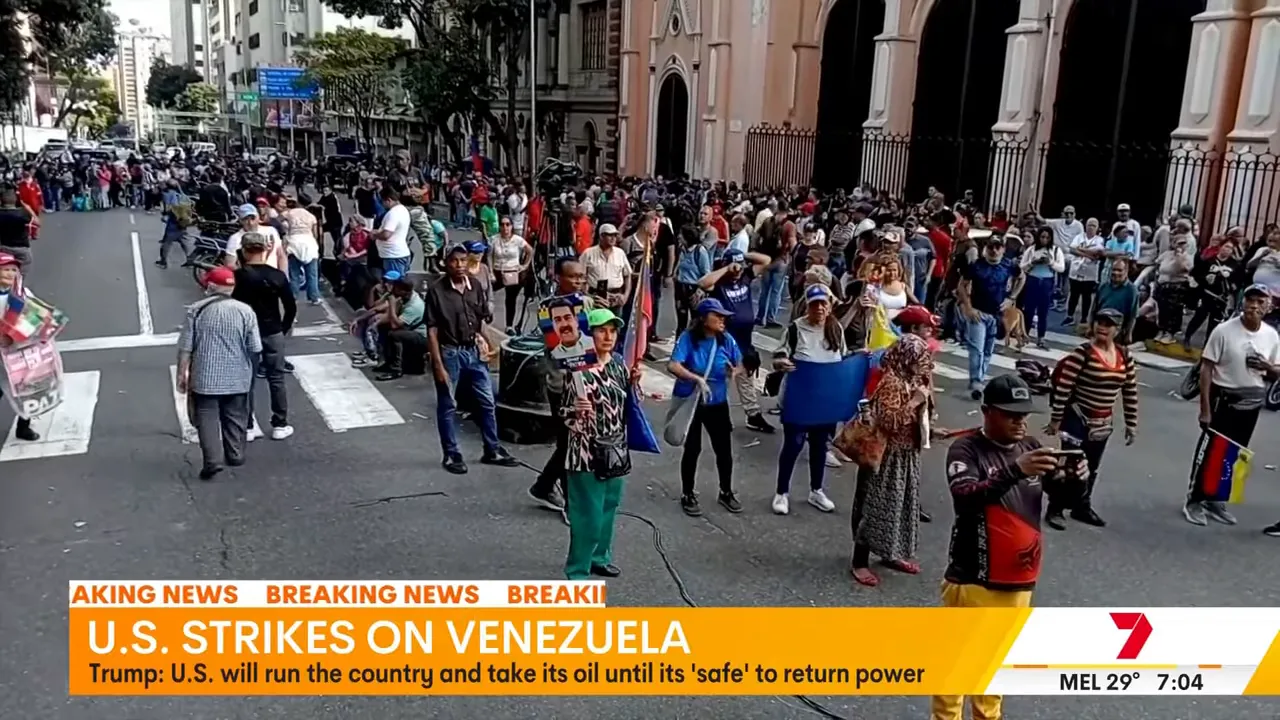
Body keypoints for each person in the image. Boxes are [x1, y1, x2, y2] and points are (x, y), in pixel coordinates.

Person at [931, 375, 1086, 720]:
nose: (1020, 421)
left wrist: (1075, 481)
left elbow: (1060, 499)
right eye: (1010, 414)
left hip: (1019, 582)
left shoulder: (1030, 447)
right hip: (975, 579)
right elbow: (965, 498)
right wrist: (1014, 471)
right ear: (987, 411)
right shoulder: (966, 449)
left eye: (1024, 414)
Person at [1184, 284, 1280, 526]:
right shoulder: (1224, 331)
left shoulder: (1271, 335)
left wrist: (1267, 367)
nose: (1254, 306)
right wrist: (1205, 409)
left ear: (1269, 307)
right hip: (1223, 401)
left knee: (1234, 454)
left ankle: (1216, 499)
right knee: (1210, 452)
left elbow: (1276, 370)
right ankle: (1194, 500)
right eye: (1250, 301)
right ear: (1242, 302)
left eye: (1260, 302)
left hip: (1251, 405)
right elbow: (1206, 369)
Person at [562, 308, 642, 579]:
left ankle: (599, 557)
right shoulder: (576, 368)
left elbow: (627, 407)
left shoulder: (619, 364)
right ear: (589, 334)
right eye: (601, 330)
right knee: (588, 517)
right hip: (585, 453)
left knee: (609, 509)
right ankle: (577, 571)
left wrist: (634, 385)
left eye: (612, 330)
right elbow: (562, 412)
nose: (608, 336)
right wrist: (575, 408)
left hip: (616, 449)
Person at [425, 244, 518, 474]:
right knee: (448, 405)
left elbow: (478, 322)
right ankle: (451, 454)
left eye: (463, 261)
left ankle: (492, 448)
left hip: (474, 353)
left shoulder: (474, 285)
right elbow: (432, 330)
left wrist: (488, 343)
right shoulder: (437, 291)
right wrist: (437, 364)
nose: (460, 266)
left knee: (487, 402)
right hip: (450, 353)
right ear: (445, 263)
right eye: (454, 261)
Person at [850, 334, 933, 587]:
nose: (924, 363)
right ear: (906, 358)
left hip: (906, 455)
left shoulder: (911, 380)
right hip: (886, 457)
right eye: (919, 358)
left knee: (898, 507)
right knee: (874, 508)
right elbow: (890, 422)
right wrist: (916, 401)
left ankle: (890, 553)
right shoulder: (892, 383)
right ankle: (859, 562)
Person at [1044, 308, 1138, 530]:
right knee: (1069, 465)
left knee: (1091, 467)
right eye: (1099, 322)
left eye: (1108, 324)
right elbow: (1064, 388)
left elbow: (1130, 390)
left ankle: (1081, 506)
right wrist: (1056, 419)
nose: (1102, 327)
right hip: (1076, 418)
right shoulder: (1083, 353)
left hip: (1102, 423)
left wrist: (1131, 423)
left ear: (1118, 329)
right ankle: (1055, 508)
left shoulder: (1124, 355)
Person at [176, 266, 262, 481]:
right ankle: (235, 454)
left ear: (211, 286)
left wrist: (182, 374)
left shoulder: (196, 310)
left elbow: (186, 346)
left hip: (205, 377)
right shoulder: (245, 311)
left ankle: (212, 461)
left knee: (206, 417)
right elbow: (255, 347)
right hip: (237, 375)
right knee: (235, 415)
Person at [771, 284, 847, 515]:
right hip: (799, 397)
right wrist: (782, 363)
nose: (820, 308)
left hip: (823, 400)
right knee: (793, 444)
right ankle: (781, 492)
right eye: (815, 304)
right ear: (808, 306)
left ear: (830, 305)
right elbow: (779, 356)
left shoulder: (835, 329)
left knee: (818, 446)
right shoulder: (795, 329)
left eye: (824, 303)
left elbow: (842, 360)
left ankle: (816, 490)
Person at [668, 298, 745, 517]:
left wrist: (734, 371)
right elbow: (673, 364)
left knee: (724, 449)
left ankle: (726, 491)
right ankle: (687, 494)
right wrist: (696, 379)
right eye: (717, 316)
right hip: (692, 401)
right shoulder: (688, 339)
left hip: (717, 402)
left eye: (724, 316)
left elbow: (739, 364)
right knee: (692, 449)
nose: (723, 320)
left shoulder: (726, 340)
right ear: (703, 319)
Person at [529, 260, 595, 511]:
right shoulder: (549, 308)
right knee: (568, 443)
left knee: (574, 442)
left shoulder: (587, 302)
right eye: (573, 277)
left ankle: (544, 486)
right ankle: (568, 501)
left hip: (587, 381)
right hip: (562, 384)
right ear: (559, 278)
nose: (578, 281)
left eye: (581, 277)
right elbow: (562, 348)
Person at [697, 247, 775, 433]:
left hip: (744, 340)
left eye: (739, 267)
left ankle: (753, 415)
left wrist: (741, 258)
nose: (737, 271)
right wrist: (726, 268)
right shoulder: (719, 283)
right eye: (734, 267)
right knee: (720, 379)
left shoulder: (746, 276)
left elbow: (766, 259)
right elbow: (702, 283)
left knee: (746, 376)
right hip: (724, 341)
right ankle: (715, 414)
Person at [232, 233, 296, 442]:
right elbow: (290, 306)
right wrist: (283, 328)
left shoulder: (240, 276)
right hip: (273, 330)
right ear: (265, 250)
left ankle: (249, 425)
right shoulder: (277, 275)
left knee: (247, 380)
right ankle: (280, 423)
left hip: (247, 332)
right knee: (276, 378)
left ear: (244, 250)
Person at [957, 236, 1024, 399]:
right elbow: (961, 285)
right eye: (991, 247)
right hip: (978, 312)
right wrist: (968, 307)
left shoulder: (1009, 265)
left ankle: (981, 377)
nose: (994, 250)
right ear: (986, 248)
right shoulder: (976, 265)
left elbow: (1022, 277)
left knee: (988, 349)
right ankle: (976, 380)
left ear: (1003, 249)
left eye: (997, 247)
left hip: (997, 314)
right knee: (977, 348)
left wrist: (1012, 298)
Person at [0, 253, 39, 442]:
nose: (10, 274)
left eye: (13, 270)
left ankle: (24, 427)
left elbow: (35, 314)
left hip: (18, 349)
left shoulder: (21, 293)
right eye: (5, 270)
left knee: (26, 388)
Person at [1183, 237, 1240, 350]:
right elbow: (1196, 274)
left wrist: (1232, 286)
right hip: (1207, 295)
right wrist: (1205, 279)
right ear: (1220, 247)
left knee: (1214, 324)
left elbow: (1238, 281)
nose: (1228, 250)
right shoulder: (1209, 261)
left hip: (1221, 298)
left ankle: (1207, 346)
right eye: (1226, 246)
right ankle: (1187, 338)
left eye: (1231, 249)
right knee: (1198, 318)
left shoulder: (1235, 265)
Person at [375, 276, 428, 381]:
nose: (393, 290)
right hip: (409, 330)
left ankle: (396, 369)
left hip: (422, 337)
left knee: (395, 335)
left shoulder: (414, 306)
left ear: (403, 291)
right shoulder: (405, 298)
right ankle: (389, 362)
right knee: (382, 326)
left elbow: (395, 324)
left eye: (396, 288)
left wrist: (392, 305)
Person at [490, 216, 533, 334]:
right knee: (486, 292)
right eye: (502, 224)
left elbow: (530, 250)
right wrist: (490, 272)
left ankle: (509, 326)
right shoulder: (494, 239)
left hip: (513, 272)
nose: (505, 228)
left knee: (511, 299)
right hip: (498, 271)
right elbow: (489, 256)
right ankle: (487, 315)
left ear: (512, 226)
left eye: (508, 224)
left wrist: (524, 265)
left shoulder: (517, 240)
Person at [1063, 218, 1104, 329]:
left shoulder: (1099, 240)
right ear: (1085, 226)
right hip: (1076, 270)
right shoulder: (1079, 237)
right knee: (1074, 295)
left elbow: (1098, 251)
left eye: (1093, 225)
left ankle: (1084, 318)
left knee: (1086, 297)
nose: (1091, 227)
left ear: (1097, 228)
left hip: (1089, 272)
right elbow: (1072, 249)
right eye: (1089, 225)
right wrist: (1088, 254)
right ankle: (1070, 316)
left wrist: (1081, 250)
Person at [282, 196, 322, 304]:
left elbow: (280, 221)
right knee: (312, 274)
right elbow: (316, 234)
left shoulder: (289, 213)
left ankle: (293, 297)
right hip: (309, 243)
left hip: (294, 243)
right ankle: (314, 297)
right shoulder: (311, 216)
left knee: (294, 274)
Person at [224, 204, 286, 270]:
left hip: (274, 276)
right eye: (245, 219)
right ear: (240, 221)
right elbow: (230, 264)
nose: (250, 223)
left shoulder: (271, 230)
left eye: (253, 218)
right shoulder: (235, 238)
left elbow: (281, 256)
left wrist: (282, 275)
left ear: (258, 217)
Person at [371, 186, 413, 279]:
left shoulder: (393, 213)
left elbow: (386, 234)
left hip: (393, 256)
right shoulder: (403, 210)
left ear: (388, 200)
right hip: (395, 254)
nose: (382, 205)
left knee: (393, 284)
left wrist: (375, 235)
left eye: (382, 202)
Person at [0, 189, 34, 270]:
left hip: (4, 246)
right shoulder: (22, 214)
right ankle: (20, 280)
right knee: (26, 263)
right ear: (16, 200)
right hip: (21, 247)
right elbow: (37, 222)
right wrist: (28, 208)